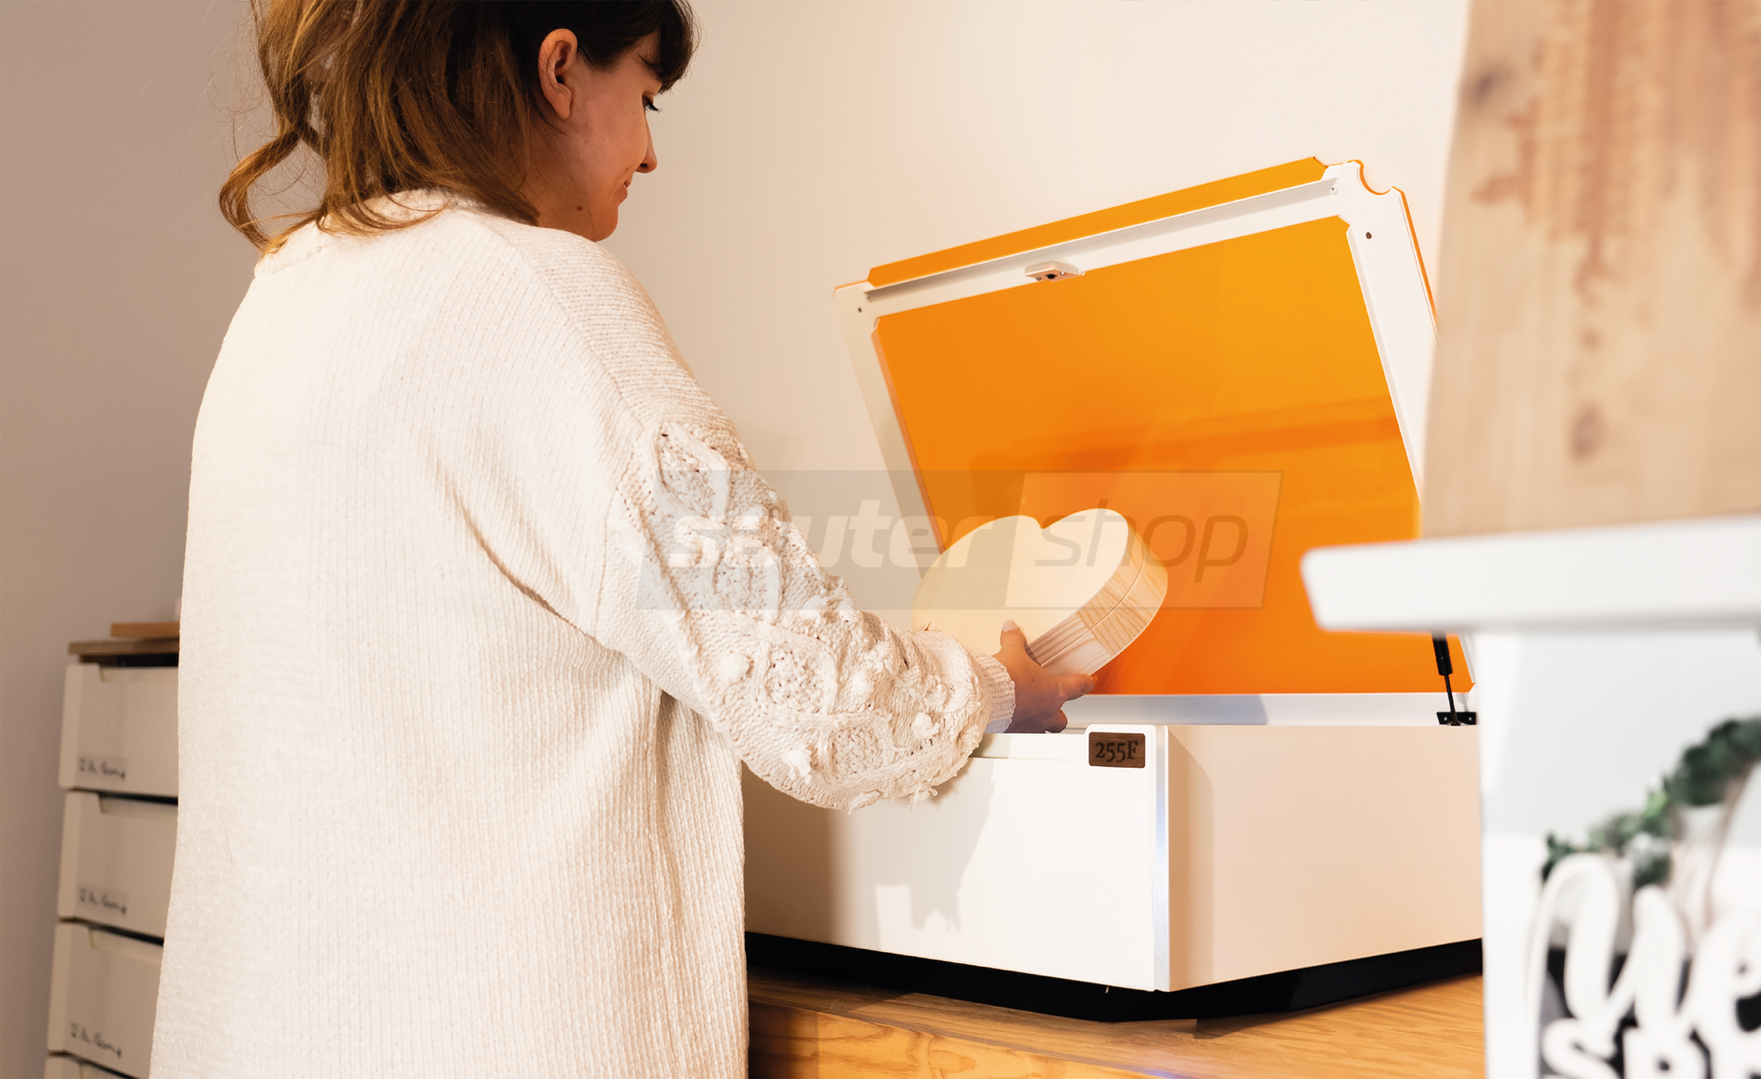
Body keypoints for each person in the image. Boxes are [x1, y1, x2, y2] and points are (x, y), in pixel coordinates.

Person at [151, 2, 1093, 1075]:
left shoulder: (292, 291)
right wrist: (996, 685)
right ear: (559, 71)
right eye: (645, 96)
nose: (649, 153)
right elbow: (818, 699)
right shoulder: (541, 293)